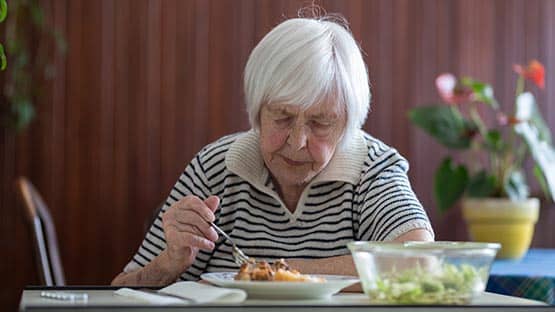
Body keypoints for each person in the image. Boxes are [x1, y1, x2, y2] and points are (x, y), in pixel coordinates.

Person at [112, 13, 434, 286]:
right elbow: (118, 290)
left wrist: (271, 274)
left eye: (320, 123)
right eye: (282, 117)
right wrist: (168, 264)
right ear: (257, 113)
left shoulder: (371, 169)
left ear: (348, 124)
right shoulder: (216, 166)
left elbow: (421, 264)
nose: (297, 142)